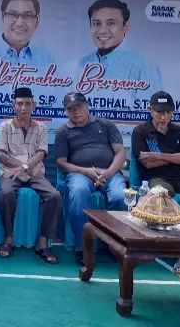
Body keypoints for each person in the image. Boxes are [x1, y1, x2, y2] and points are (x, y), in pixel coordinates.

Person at [54, 92, 127, 266]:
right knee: (78, 193)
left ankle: (116, 244)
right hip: (80, 173)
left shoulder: (106, 124)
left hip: (110, 172)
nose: (76, 111)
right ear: (66, 111)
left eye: (79, 107)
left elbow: (120, 152)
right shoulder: (63, 132)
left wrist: (108, 172)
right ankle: (83, 247)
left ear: (87, 106)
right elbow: (61, 163)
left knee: (120, 196)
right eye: (71, 109)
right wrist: (85, 171)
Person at [0, 87, 62, 263]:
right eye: (19, 104)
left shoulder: (41, 128)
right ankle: (9, 238)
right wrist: (22, 167)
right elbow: (2, 155)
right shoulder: (5, 126)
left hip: (34, 173)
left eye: (27, 104)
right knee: (6, 194)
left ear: (34, 105)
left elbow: (41, 153)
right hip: (10, 172)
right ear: (14, 106)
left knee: (54, 196)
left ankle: (43, 242)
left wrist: (25, 167)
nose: (23, 108)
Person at [132, 91, 180, 276]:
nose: (164, 117)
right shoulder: (140, 131)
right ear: (150, 110)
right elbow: (147, 163)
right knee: (165, 198)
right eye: (159, 112)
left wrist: (158, 155)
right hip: (156, 178)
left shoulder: (178, 131)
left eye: (167, 112)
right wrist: (176, 158)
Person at [78, 0, 162, 101]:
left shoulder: (143, 66)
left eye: (111, 23)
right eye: (96, 23)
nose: (103, 31)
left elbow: (152, 108)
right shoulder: (81, 64)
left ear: (125, 26)